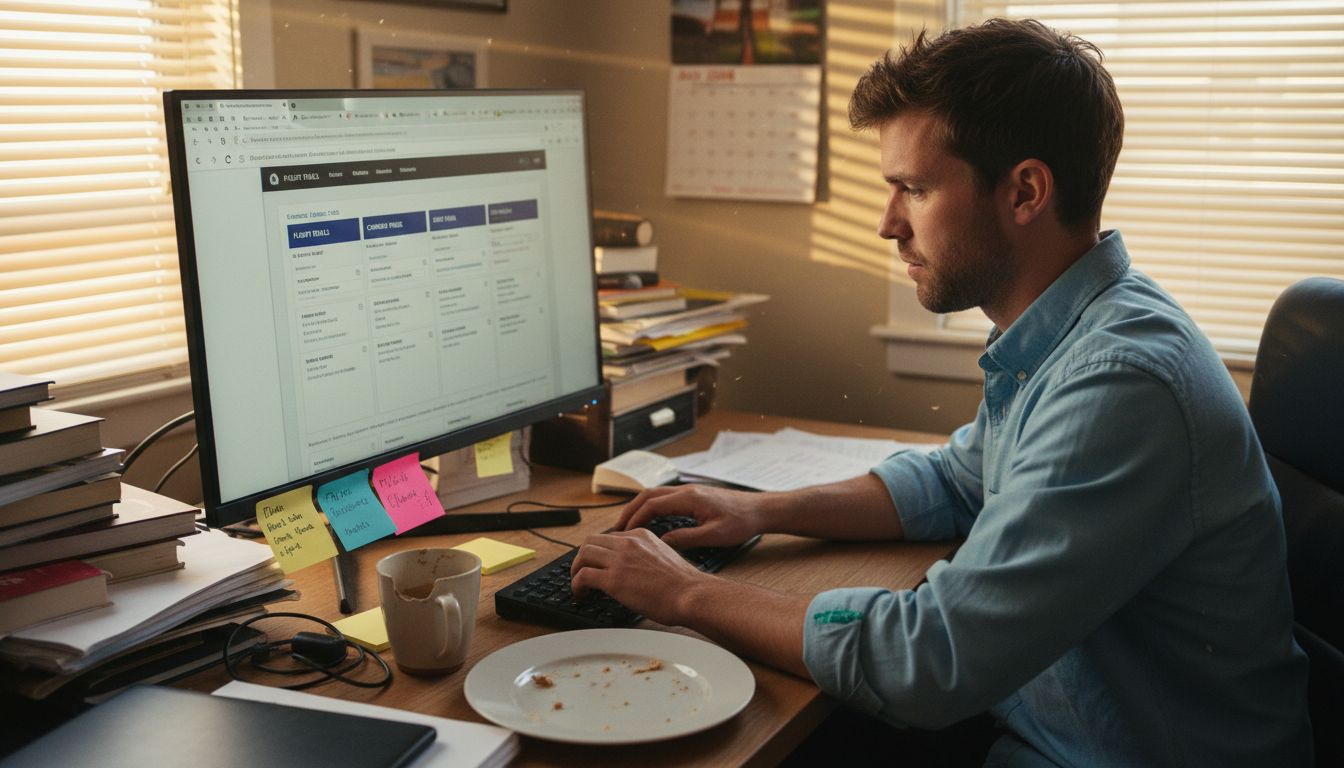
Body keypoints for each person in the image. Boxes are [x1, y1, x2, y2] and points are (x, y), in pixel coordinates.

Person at [570, 17, 1312, 767]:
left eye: (914, 189)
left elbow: (928, 661)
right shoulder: (1071, 327)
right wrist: (761, 510)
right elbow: (958, 481)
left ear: (1025, 192)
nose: (887, 224)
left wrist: (685, 593)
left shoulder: (1119, 383)